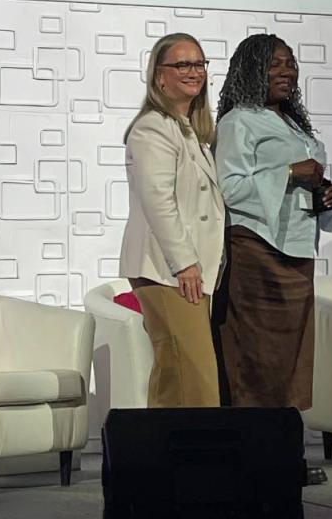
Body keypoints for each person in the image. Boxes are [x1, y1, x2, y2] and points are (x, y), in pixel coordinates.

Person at [214, 32, 332, 412]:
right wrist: (289, 171)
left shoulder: (295, 126)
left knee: (292, 357)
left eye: (290, 63)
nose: (286, 71)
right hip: (256, 249)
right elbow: (228, 189)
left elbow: (300, 185)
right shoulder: (239, 122)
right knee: (256, 354)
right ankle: (255, 452)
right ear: (251, 69)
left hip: (298, 251)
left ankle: (284, 450)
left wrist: (325, 197)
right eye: (275, 64)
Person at [119, 32, 225, 408]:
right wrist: (185, 263)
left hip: (186, 270)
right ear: (159, 76)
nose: (193, 71)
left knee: (175, 375)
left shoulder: (189, 131)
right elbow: (158, 202)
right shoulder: (153, 128)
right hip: (168, 270)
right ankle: (194, 461)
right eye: (182, 64)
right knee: (194, 381)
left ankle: (163, 461)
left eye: (199, 64)